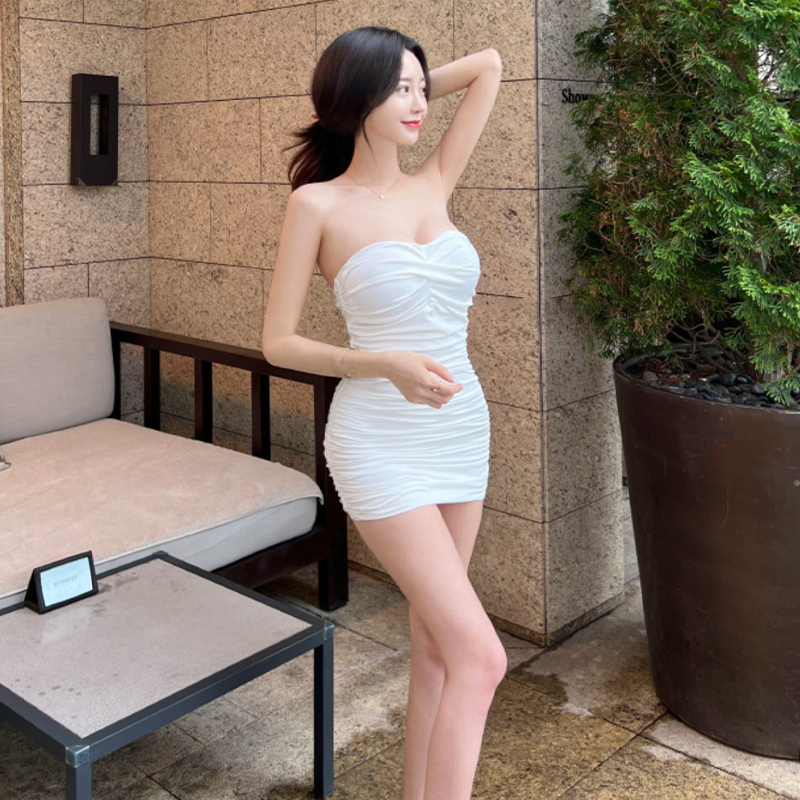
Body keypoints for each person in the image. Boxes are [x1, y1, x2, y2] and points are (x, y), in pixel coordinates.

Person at [262, 26, 504, 800]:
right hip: (378, 440)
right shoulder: (317, 205)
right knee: (482, 658)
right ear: (356, 98)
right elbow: (277, 341)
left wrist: (408, 79)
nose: (419, 102)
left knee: (437, 649)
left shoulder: (434, 181)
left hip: (459, 428)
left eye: (421, 87)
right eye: (399, 90)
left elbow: (490, 66)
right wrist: (383, 363)